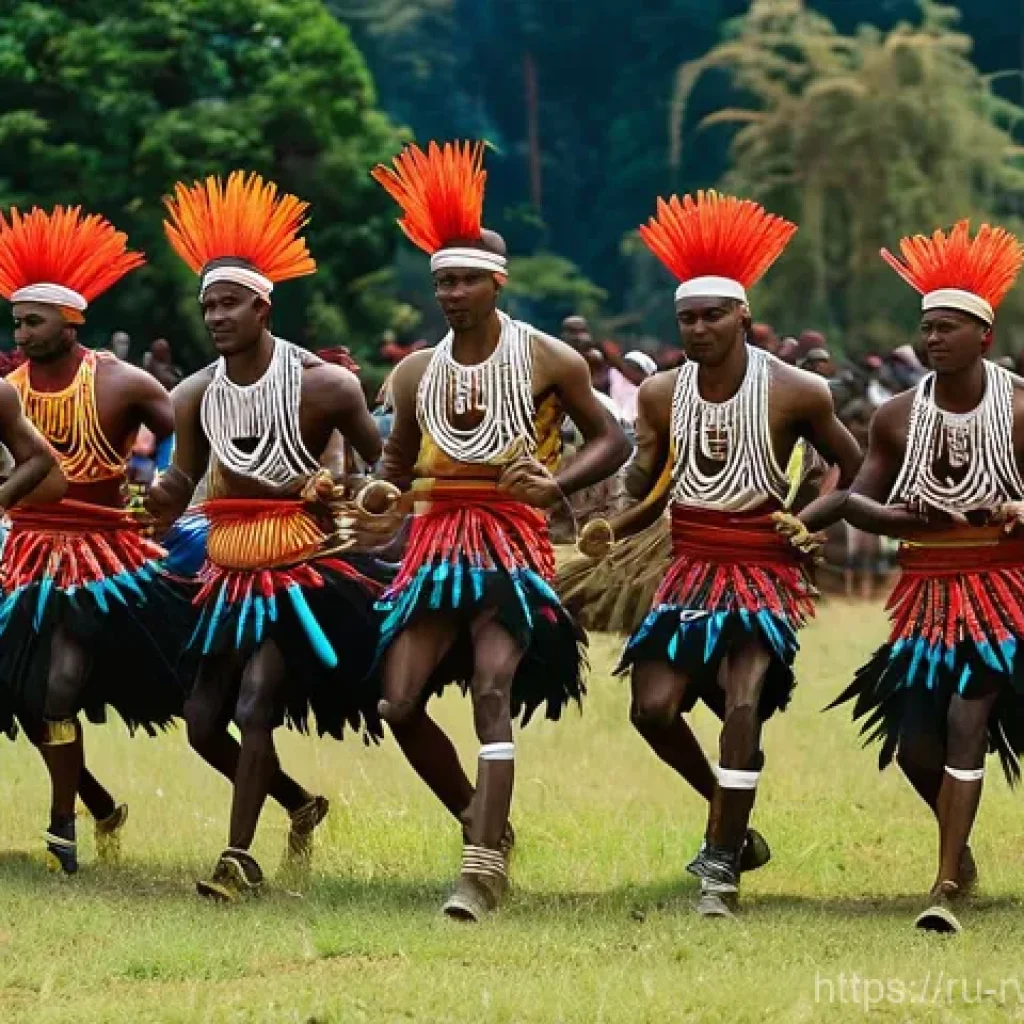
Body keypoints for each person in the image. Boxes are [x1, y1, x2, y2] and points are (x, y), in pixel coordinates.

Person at [370, 140, 630, 920]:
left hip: (511, 549)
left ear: (496, 282)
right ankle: (483, 824)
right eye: (441, 281)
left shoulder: (549, 358)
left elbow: (611, 436)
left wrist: (557, 484)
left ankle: (480, 870)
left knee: (492, 690)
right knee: (400, 702)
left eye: (464, 280)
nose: (450, 293)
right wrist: (378, 493)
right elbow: (394, 460)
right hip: (434, 549)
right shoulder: (417, 372)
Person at [599, 190, 861, 917]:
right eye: (687, 317)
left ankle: (720, 867)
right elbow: (644, 484)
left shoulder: (797, 390)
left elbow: (851, 460)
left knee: (743, 703)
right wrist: (612, 528)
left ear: (744, 314)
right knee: (652, 710)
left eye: (714, 314)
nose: (700, 327)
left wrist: (813, 516)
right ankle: (730, 814)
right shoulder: (658, 394)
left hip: (761, 569)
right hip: (687, 566)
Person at [146, 172, 387, 901]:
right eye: (207, 305)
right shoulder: (193, 396)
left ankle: (237, 859)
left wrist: (349, 495)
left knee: (255, 704)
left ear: (263, 306)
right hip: (227, 569)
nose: (216, 316)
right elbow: (182, 480)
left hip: (303, 571)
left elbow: (381, 466)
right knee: (198, 724)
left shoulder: (326, 387)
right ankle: (299, 804)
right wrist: (155, 502)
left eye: (229, 304)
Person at [827, 220, 1024, 933]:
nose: (930, 339)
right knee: (916, 746)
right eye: (924, 328)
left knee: (969, 722)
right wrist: (908, 517)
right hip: (927, 602)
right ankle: (961, 853)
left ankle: (943, 885)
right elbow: (858, 500)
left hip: (1007, 598)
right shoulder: (895, 416)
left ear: (984, 338)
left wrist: (1013, 507)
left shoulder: (1021, 407)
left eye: (945, 328)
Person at [0, 205, 188, 874]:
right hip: (21, 555)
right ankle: (100, 803)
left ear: (70, 321)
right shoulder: (8, 391)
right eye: (16, 321)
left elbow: (184, 429)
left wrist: (166, 485)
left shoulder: (121, 381)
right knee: (23, 694)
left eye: (33, 321)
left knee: (59, 688)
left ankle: (62, 831)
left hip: (101, 558)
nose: (20, 333)